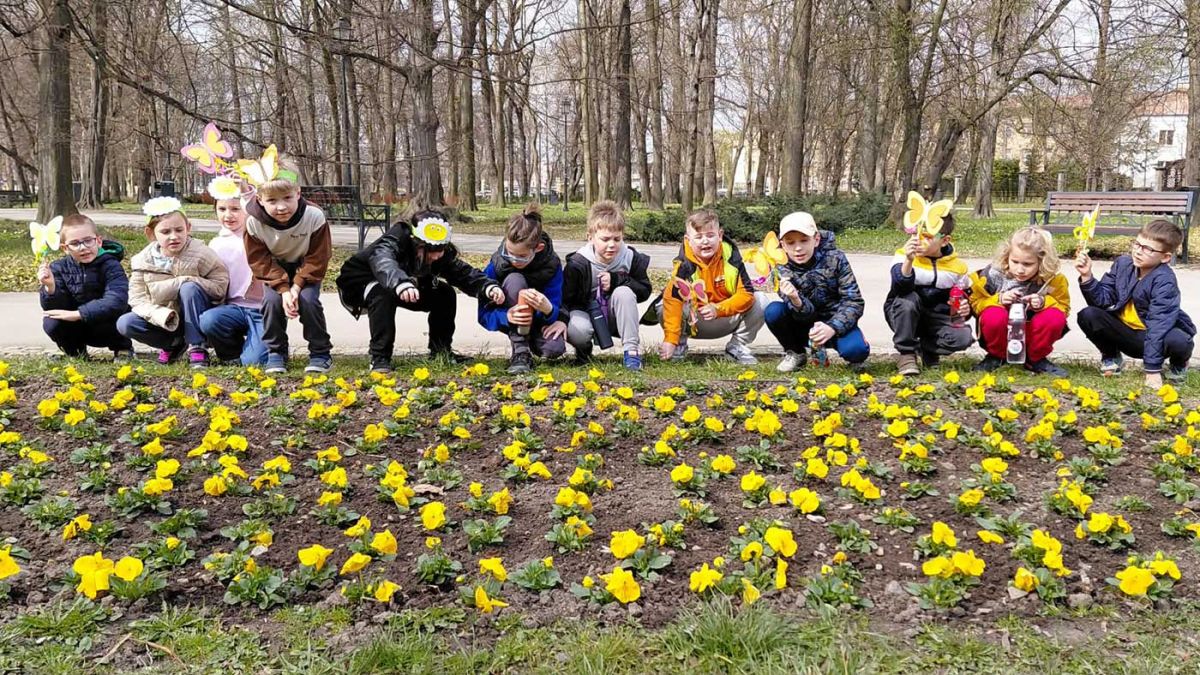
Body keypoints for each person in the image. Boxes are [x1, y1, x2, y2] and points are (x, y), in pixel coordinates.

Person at [336, 209, 504, 372]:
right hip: (360, 286)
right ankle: (380, 358)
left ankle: (441, 351)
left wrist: (487, 287)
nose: (436, 256)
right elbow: (383, 260)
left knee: (445, 294)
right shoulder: (395, 239)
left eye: (441, 249)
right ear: (418, 244)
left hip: (403, 284)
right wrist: (401, 283)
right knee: (383, 293)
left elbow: (461, 272)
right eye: (432, 251)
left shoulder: (438, 253)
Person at [1075, 219, 1195, 387]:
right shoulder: (1123, 264)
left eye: (1148, 249)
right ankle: (1111, 356)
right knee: (1089, 315)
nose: (1138, 251)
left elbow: (1158, 325)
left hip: (1154, 336)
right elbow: (1102, 301)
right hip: (1126, 333)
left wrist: (1152, 370)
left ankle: (1179, 364)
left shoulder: (1164, 281)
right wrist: (1087, 277)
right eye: (1137, 244)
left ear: (1165, 257)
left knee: (1180, 340)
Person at [243, 161, 334, 373]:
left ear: (298, 193)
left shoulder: (314, 216)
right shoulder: (253, 222)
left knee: (308, 301)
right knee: (272, 302)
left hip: (307, 267)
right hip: (274, 269)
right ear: (260, 199)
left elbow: (318, 257)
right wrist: (284, 289)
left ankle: (320, 353)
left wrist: (297, 286)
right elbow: (259, 260)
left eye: (287, 198)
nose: (281, 207)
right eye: (272, 200)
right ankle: (276, 353)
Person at [116, 198, 229, 366]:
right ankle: (173, 344)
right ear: (150, 233)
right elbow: (137, 299)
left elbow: (220, 285)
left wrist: (189, 280)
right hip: (165, 318)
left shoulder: (201, 253)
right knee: (126, 323)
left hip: (197, 314)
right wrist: (161, 315)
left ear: (188, 228)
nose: (174, 236)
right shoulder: (142, 261)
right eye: (165, 232)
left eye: (179, 230)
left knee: (189, 288)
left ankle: (197, 346)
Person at [652, 209, 765, 365]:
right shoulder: (683, 266)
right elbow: (673, 301)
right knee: (662, 304)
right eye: (698, 237)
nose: (705, 241)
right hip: (694, 321)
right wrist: (670, 338)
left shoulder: (732, 258)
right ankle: (678, 346)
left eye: (710, 235)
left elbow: (746, 295)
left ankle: (737, 347)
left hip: (724, 317)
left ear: (720, 235)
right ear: (688, 240)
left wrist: (718, 308)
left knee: (761, 300)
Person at [765, 211, 868, 372]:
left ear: (816, 239)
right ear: (783, 245)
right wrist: (795, 299)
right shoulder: (778, 268)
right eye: (790, 243)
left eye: (804, 240)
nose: (798, 248)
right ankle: (796, 353)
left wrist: (832, 327)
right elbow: (806, 315)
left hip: (835, 321)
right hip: (803, 323)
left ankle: (851, 351)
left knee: (856, 351)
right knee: (773, 311)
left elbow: (854, 301)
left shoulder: (836, 258)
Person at [967, 226, 1070, 375]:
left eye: (1028, 264)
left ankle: (1035, 359)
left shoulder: (1053, 280)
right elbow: (975, 302)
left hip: (1032, 334)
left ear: (1042, 262)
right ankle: (996, 357)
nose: (1020, 270)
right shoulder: (992, 275)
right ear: (1006, 256)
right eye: (1014, 262)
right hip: (1000, 334)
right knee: (993, 315)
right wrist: (999, 299)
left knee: (1054, 317)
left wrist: (1043, 302)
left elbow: (1063, 308)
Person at [562, 200, 652, 370]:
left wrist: (617, 280)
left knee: (624, 292)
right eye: (605, 239)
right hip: (587, 314)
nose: (612, 245)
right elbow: (566, 299)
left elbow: (644, 291)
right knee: (577, 328)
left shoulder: (630, 257)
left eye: (617, 239)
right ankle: (583, 350)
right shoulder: (578, 263)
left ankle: (631, 352)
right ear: (590, 237)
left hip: (616, 314)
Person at [478, 203, 566, 374]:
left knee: (554, 348)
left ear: (538, 248)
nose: (513, 260)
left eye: (521, 256)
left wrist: (547, 309)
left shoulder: (552, 266)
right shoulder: (498, 264)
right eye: (509, 252)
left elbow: (558, 303)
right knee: (515, 279)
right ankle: (520, 351)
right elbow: (483, 314)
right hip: (510, 318)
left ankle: (529, 339)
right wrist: (507, 316)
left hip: (538, 321)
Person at [885, 212, 973, 375]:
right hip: (904, 313)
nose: (919, 239)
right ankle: (906, 353)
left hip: (936, 318)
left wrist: (965, 308)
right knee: (908, 301)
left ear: (945, 240)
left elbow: (963, 297)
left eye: (927, 236)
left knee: (963, 337)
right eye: (916, 233)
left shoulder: (957, 267)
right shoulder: (903, 256)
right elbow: (900, 288)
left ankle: (927, 349)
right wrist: (909, 260)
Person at [38, 214, 133, 359]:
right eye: (75, 243)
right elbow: (53, 309)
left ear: (98, 241)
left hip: (106, 326)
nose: (83, 248)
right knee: (51, 322)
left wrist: (79, 314)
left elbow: (116, 300)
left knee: (121, 315)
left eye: (88, 241)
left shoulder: (111, 265)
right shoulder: (58, 268)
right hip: (78, 327)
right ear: (65, 248)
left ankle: (122, 348)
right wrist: (50, 287)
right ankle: (76, 352)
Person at [198, 198, 269, 366]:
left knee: (254, 363)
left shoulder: (261, 236)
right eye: (222, 209)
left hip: (262, 310)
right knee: (209, 319)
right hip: (233, 308)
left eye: (235, 209)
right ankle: (231, 355)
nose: (228, 215)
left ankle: (273, 348)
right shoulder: (216, 243)